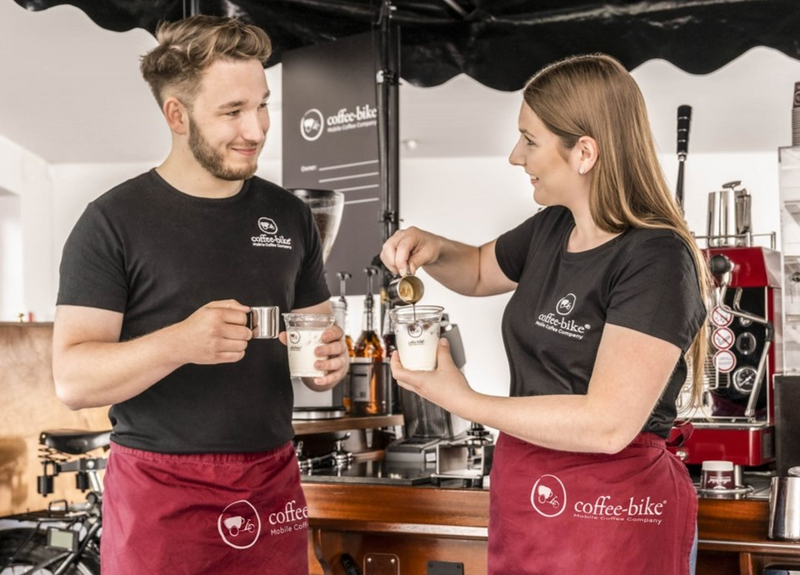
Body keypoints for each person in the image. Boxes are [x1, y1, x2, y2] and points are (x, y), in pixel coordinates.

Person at [381, 53, 709, 575]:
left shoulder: (656, 258)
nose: (516, 156)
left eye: (530, 140)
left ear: (584, 152)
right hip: (530, 493)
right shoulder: (552, 228)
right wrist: (433, 246)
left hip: (614, 510)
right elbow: (480, 269)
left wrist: (464, 400)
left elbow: (607, 425)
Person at [52, 15, 348, 574]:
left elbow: (316, 341)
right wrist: (181, 342)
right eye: (232, 112)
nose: (257, 129)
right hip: (159, 492)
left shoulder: (289, 215)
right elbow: (73, 380)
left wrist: (329, 360)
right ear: (176, 115)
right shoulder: (111, 222)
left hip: (271, 483)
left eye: (262, 105)